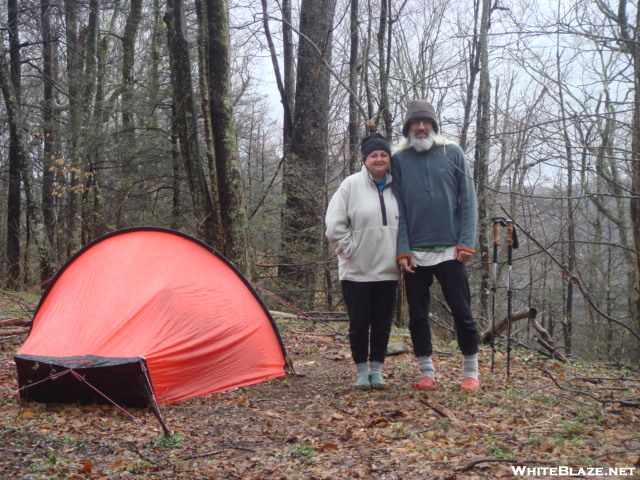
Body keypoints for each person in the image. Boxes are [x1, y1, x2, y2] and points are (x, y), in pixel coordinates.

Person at [391, 100, 481, 392]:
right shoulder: (400, 159)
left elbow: (468, 200)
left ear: (433, 126)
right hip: (415, 252)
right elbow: (399, 209)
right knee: (417, 314)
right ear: (407, 128)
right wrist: (402, 249)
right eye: (415, 124)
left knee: (461, 311)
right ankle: (426, 372)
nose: (420, 128)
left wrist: (467, 242)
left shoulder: (452, 152)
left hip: (451, 250)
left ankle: (471, 373)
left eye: (425, 123)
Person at [325, 133, 400, 390]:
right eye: (373, 155)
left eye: (383, 154)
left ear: (389, 158)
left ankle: (376, 371)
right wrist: (350, 250)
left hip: (388, 269)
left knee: (381, 323)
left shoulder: (397, 185)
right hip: (356, 269)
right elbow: (334, 225)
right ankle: (360, 371)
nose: (379, 159)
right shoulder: (351, 185)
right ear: (365, 159)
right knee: (359, 323)